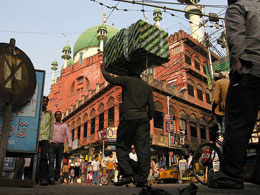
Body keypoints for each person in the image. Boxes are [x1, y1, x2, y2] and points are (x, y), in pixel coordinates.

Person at [208, 0, 260, 189]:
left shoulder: (237, 8)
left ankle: (230, 176)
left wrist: (239, 67)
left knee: (237, 126)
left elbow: (236, 39)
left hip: (249, 71)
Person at [101, 63, 155, 187]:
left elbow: (110, 79)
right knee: (143, 150)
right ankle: (142, 180)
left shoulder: (127, 80)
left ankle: (128, 174)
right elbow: (152, 108)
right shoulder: (147, 87)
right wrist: (147, 118)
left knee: (122, 146)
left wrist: (103, 70)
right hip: (143, 119)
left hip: (129, 117)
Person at [49, 111, 72, 185]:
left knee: (58, 162)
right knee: (51, 161)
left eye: (60, 115)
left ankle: (56, 178)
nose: (59, 116)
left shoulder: (65, 126)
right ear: (55, 116)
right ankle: (51, 177)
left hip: (60, 145)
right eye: (57, 115)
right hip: (52, 144)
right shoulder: (52, 125)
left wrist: (70, 144)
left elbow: (68, 135)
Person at [38, 96, 54, 186]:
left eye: (46, 101)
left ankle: (43, 179)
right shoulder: (37, 112)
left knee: (44, 158)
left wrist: (50, 139)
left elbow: (51, 127)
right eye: (43, 101)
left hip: (45, 138)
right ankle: (32, 177)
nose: (44, 103)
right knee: (33, 157)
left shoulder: (50, 114)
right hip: (36, 137)